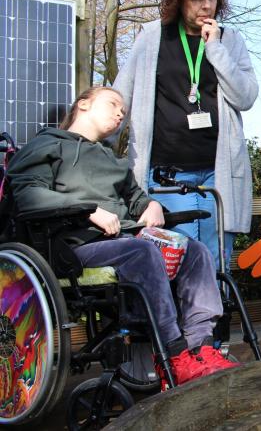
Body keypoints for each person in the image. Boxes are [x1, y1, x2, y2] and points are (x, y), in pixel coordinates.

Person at [7, 87, 239, 387]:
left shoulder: (112, 160)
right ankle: (173, 354)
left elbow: (135, 198)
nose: (120, 113)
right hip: (72, 245)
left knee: (193, 251)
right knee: (141, 252)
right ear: (84, 104)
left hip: (124, 240)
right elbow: (28, 195)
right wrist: (88, 210)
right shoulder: (46, 146)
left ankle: (201, 348)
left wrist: (152, 205)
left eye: (124, 111)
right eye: (113, 104)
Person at [114, 0, 258, 273]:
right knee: (174, 261)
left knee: (214, 262)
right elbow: (120, 97)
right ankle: (176, 323)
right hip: (167, 175)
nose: (206, 6)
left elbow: (246, 96)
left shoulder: (230, 40)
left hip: (216, 175)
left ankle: (212, 323)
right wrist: (91, 148)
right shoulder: (153, 37)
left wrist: (216, 48)